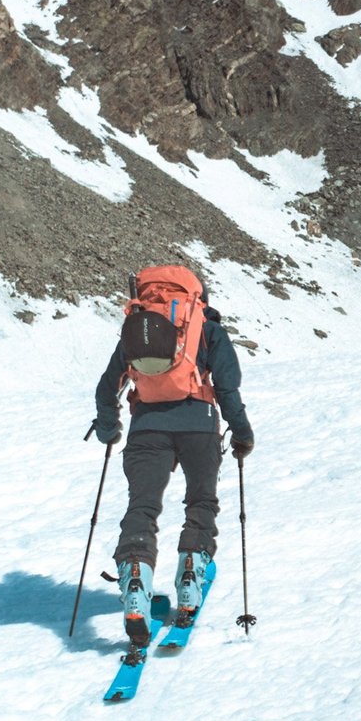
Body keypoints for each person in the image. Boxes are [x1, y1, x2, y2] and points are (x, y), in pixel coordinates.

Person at [92, 264, 254, 642]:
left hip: (147, 427)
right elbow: (228, 389)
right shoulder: (208, 329)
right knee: (201, 502)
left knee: (142, 507)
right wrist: (242, 435)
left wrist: (109, 429)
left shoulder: (138, 329)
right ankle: (190, 573)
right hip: (199, 425)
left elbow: (106, 389)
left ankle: (135, 577)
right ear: (198, 299)